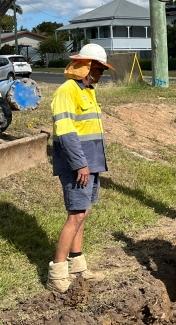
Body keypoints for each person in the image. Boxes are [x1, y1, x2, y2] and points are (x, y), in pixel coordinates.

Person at [47, 43, 113, 293]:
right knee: (75, 215)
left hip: (90, 164)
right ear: (85, 66)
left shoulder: (88, 91)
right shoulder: (67, 91)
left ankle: (78, 266)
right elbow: (65, 133)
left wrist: (90, 164)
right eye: (98, 69)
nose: (100, 75)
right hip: (79, 166)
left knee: (82, 214)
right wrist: (80, 164)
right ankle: (57, 273)